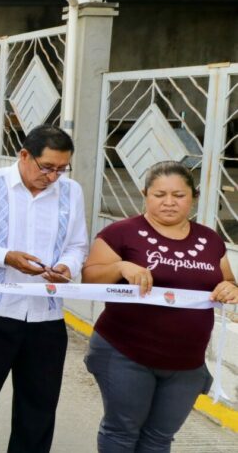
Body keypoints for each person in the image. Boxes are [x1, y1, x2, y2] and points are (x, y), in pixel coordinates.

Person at [82, 161, 238, 452]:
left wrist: (231, 288)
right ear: (145, 195)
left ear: (193, 197)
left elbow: (228, 282)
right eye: (159, 194)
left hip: (187, 363)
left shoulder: (210, 240)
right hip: (125, 353)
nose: (169, 202)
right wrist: (120, 266)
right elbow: (89, 277)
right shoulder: (120, 233)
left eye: (178, 195)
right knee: (121, 432)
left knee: (159, 438)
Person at [0, 124, 88, 453]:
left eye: (62, 168)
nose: (54, 176)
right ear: (25, 155)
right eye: (47, 167)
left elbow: (77, 245)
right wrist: (6, 258)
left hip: (46, 316)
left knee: (39, 407)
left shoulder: (72, 191)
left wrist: (67, 267)